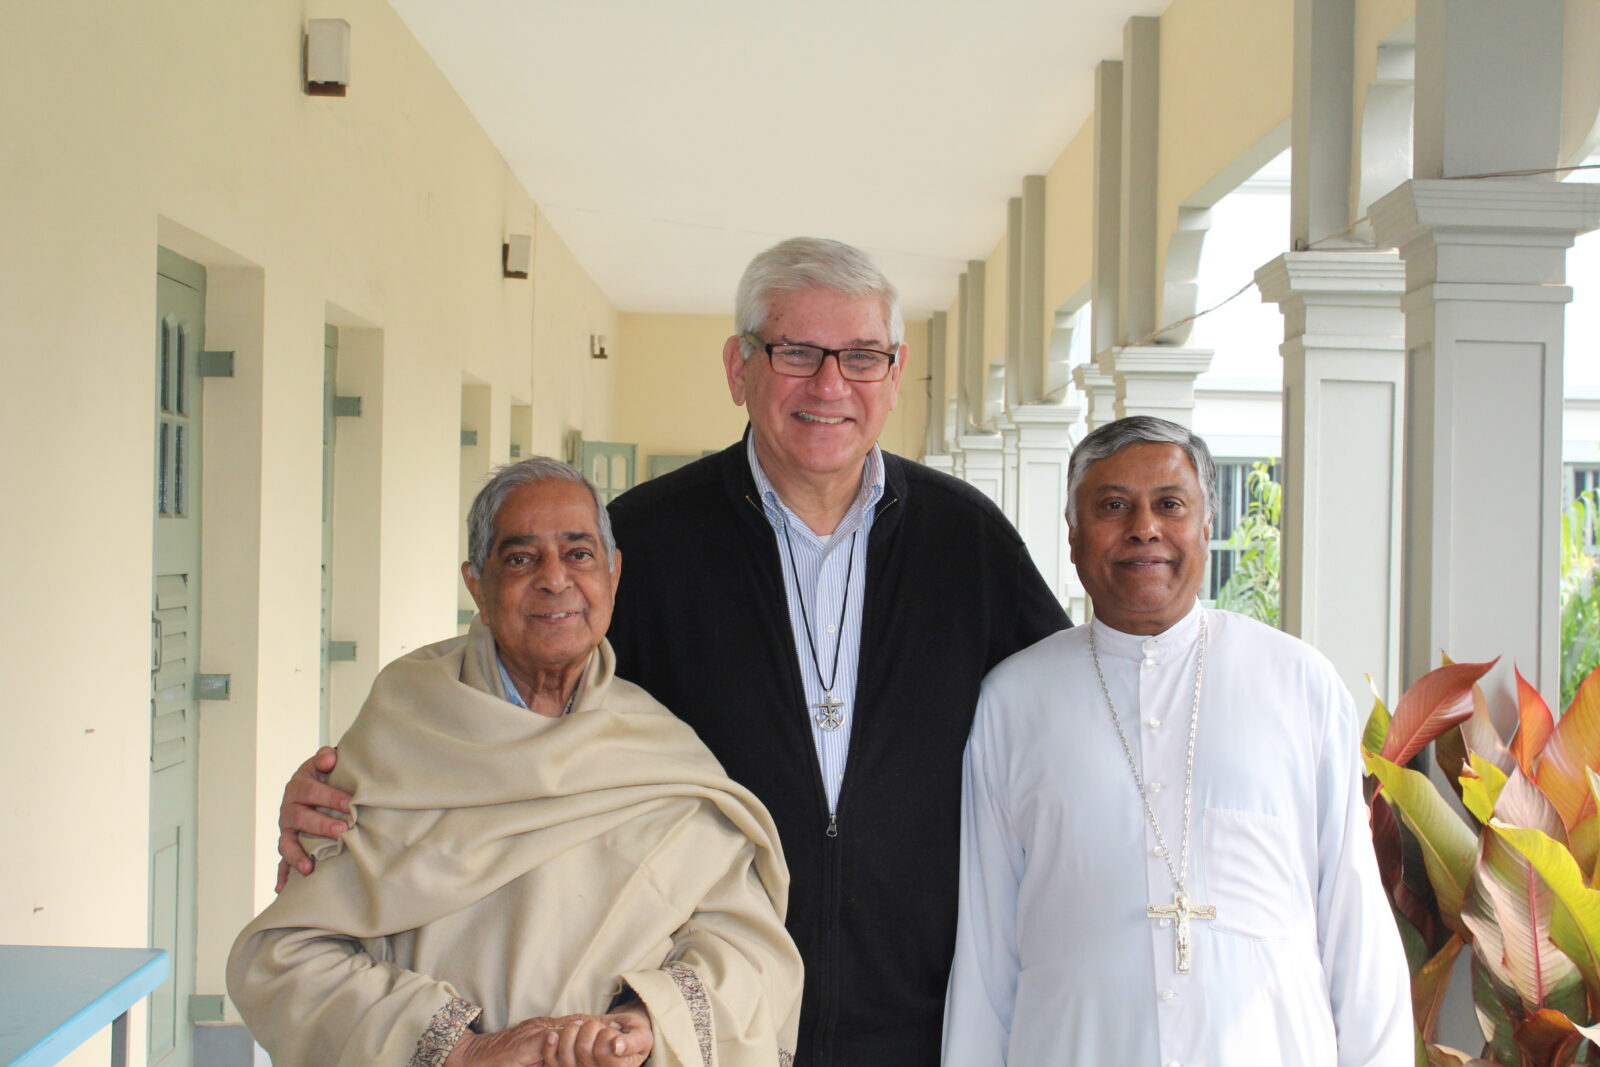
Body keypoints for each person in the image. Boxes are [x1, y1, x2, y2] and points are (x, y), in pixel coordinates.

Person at [276, 238, 1071, 1064]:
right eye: (795, 351)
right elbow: (508, 696)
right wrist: (352, 798)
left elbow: (1068, 713)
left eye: (862, 356)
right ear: (739, 367)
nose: (831, 384)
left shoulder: (966, 541)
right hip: (701, 1031)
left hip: (921, 1023)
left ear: (895, 372)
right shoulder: (645, 540)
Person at [230, 458, 802, 1067]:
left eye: (579, 554)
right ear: (477, 584)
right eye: (521, 558)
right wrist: (458, 1048)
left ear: (612, 574)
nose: (555, 580)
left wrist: (645, 1023)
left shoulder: (662, 754)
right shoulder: (404, 734)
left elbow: (748, 953)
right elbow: (286, 959)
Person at [941, 415, 1412, 1065]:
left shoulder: (1300, 683)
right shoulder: (1014, 700)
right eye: (1112, 506)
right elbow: (985, 949)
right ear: (1074, 539)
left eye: (1170, 504)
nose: (1144, 527)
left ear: (1207, 528)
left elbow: (1355, 925)